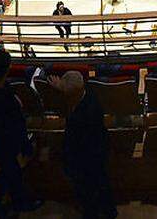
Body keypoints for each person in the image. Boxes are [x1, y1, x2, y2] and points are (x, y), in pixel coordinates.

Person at [0, 48, 42, 217]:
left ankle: (4, 207)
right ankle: (15, 206)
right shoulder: (6, 101)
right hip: (8, 142)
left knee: (8, 172)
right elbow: (17, 125)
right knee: (12, 174)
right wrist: (26, 146)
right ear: (7, 69)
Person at [48, 71, 117, 218]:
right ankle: (108, 211)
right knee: (101, 184)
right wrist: (62, 87)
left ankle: (98, 212)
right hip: (94, 152)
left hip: (88, 157)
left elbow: (75, 142)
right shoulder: (88, 93)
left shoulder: (83, 115)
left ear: (70, 95)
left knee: (89, 190)